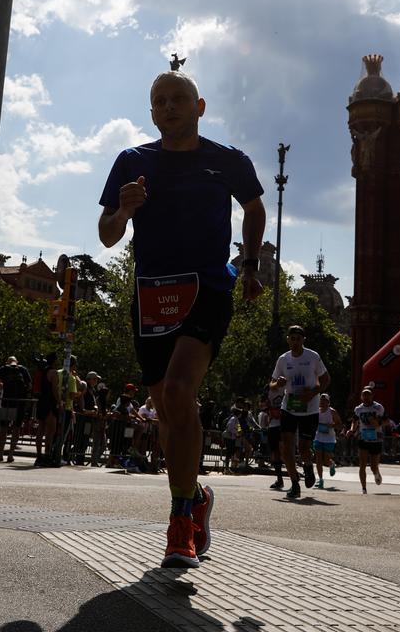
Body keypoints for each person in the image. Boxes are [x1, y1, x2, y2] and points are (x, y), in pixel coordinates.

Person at [97, 65, 265, 568]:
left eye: (178, 98)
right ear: (151, 112)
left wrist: (250, 264)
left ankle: (179, 525)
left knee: (176, 392)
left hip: (208, 288)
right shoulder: (131, 161)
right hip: (151, 296)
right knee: (169, 415)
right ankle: (196, 499)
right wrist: (123, 212)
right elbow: (106, 236)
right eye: (160, 101)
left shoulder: (228, 161)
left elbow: (254, 209)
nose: (169, 106)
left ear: (200, 107)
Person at [270, 325, 330, 499]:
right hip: (289, 406)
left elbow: (326, 379)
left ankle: (308, 465)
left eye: (298, 338)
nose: (295, 342)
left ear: (304, 340)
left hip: (310, 409)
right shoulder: (283, 359)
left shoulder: (313, 357)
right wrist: (278, 384)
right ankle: (295, 483)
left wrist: (312, 393)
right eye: (292, 338)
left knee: (304, 448)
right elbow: (272, 385)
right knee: (286, 448)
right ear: (288, 339)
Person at [0, 355, 31, 463]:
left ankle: (0, 454)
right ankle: (10, 454)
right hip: (19, 403)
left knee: (3, 428)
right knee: (16, 428)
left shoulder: (4, 369)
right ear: (17, 362)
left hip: (7, 401)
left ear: (7, 362)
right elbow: (29, 385)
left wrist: (1, 386)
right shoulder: (23, 369)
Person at [351, 387, 385, 493]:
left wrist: (376, 422)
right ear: (361, 397)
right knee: (362, 463)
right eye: (364, 395)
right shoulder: (358, 409)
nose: (366, 397)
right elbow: (354, 421)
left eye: (368, 394)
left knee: (373, 466)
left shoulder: (378, 407)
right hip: (363, 437)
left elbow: (386, 421)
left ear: (372, 396)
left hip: (376, 438)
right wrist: (351, 430)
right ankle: (364, 488)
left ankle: (376, 472)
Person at [32, 353, 59, 467]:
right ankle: (47, 455)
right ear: (54, 361)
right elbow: (54, 389)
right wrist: (59, 401)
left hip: (41, 401)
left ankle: (39, 456)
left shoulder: (41, 371)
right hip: (50, 402)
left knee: (40, 430)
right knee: (50, 431)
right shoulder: (53, 372)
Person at [312, 394, 341, 489]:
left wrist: (331, 425)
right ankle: (320, 480)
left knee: (326, 460)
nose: (322, 402)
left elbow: (340, 425)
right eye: (321, 400)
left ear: (328, 402)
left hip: (329, 438)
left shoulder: (332, 412)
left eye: (325, 401)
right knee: (318, 459)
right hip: (318, 437)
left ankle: (331, 464)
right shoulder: (316, 410)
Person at [262, 383, 285, 490]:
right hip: (273, 426)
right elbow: (263, 405)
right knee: (275, 453)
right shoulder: (269, 390)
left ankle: (293, 476)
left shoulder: (286, 389)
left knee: (284, 451)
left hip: (285, 425)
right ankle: (279, 479)